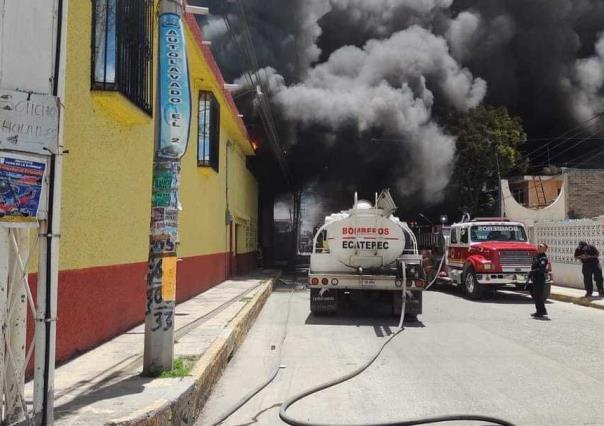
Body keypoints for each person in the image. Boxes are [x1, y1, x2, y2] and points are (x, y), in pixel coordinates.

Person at [530, 243, 550, 318]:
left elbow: (541, 269)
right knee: (536, 295)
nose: (538, 247)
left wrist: (532, 272)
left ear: (544, 249)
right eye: (538, 246)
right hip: (535, 278)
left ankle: (541, 311)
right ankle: (539, 311)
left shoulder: (543, 258)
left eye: (541, 247)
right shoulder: (537, 256)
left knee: (539, 295)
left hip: (540, 278)